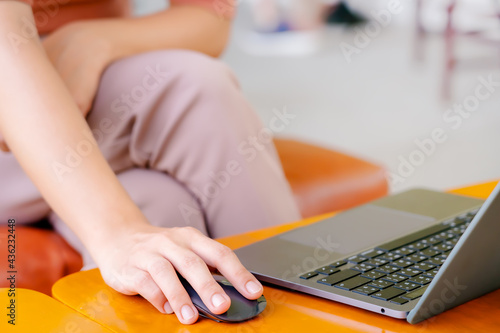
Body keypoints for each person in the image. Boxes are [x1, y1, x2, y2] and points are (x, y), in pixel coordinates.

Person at [0, 0, 301, 325]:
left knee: (163, 207)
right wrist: (118, 232)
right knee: (196, 91)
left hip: (93, 85)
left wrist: (99, 39)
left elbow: (210, 16)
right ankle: (300, 313)